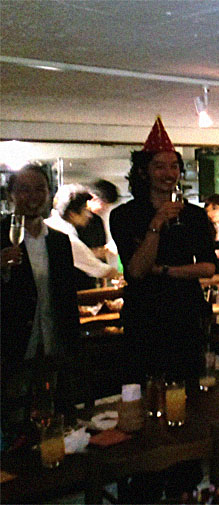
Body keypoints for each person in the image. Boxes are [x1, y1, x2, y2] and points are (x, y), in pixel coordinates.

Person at [110, 118, 216, 392]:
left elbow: (208, 267)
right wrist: (156, 223)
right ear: (144, 172)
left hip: (187, 316)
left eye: (174, 166)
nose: (168, 173)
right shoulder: (124, 215)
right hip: (144, 318)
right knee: (146, 393)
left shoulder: (194, 215)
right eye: (159, 166)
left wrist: (165, 270)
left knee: (189, 394)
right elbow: (136, 270)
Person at [1, 164, 80, 437]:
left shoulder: (59, 241)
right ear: (11, 195)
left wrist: (73, 346)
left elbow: (67, 296)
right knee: (14, 425)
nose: (32, 196)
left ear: (48, 194)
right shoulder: (2, 236)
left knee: (57, 421)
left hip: (54, 344)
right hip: (12, 347)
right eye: (24, 189)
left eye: (39, 189)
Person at [45, 183, 118, 290]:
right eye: (85, 210)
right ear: (72, 214)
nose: (89, 215)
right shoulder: (66, 238)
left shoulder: (50, 225)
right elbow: (98, 269)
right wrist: (120, 276)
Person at [78, 179, 120, 272]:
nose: (106, 209)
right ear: (93, 198)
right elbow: (72, 253)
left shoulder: (97, 220)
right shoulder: (75, 218)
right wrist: (99, 252)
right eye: (104, 204)